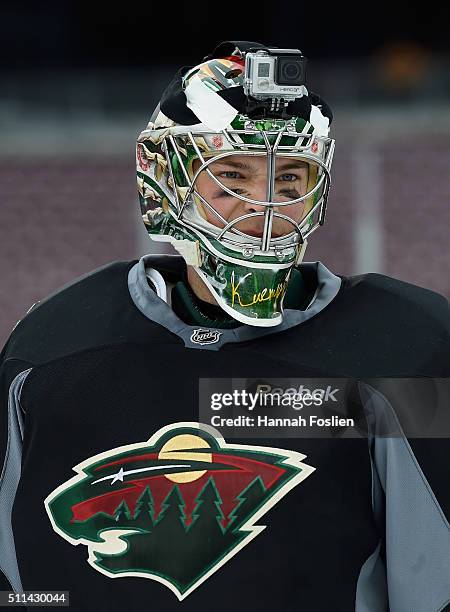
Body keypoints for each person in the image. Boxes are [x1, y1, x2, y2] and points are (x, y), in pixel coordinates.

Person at [0, 40, 449, 612]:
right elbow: (19, 583)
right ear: (166, 181)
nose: (265, 208)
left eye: (289, 178)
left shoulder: (406, 347)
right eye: (233, 176)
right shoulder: (54, 347)